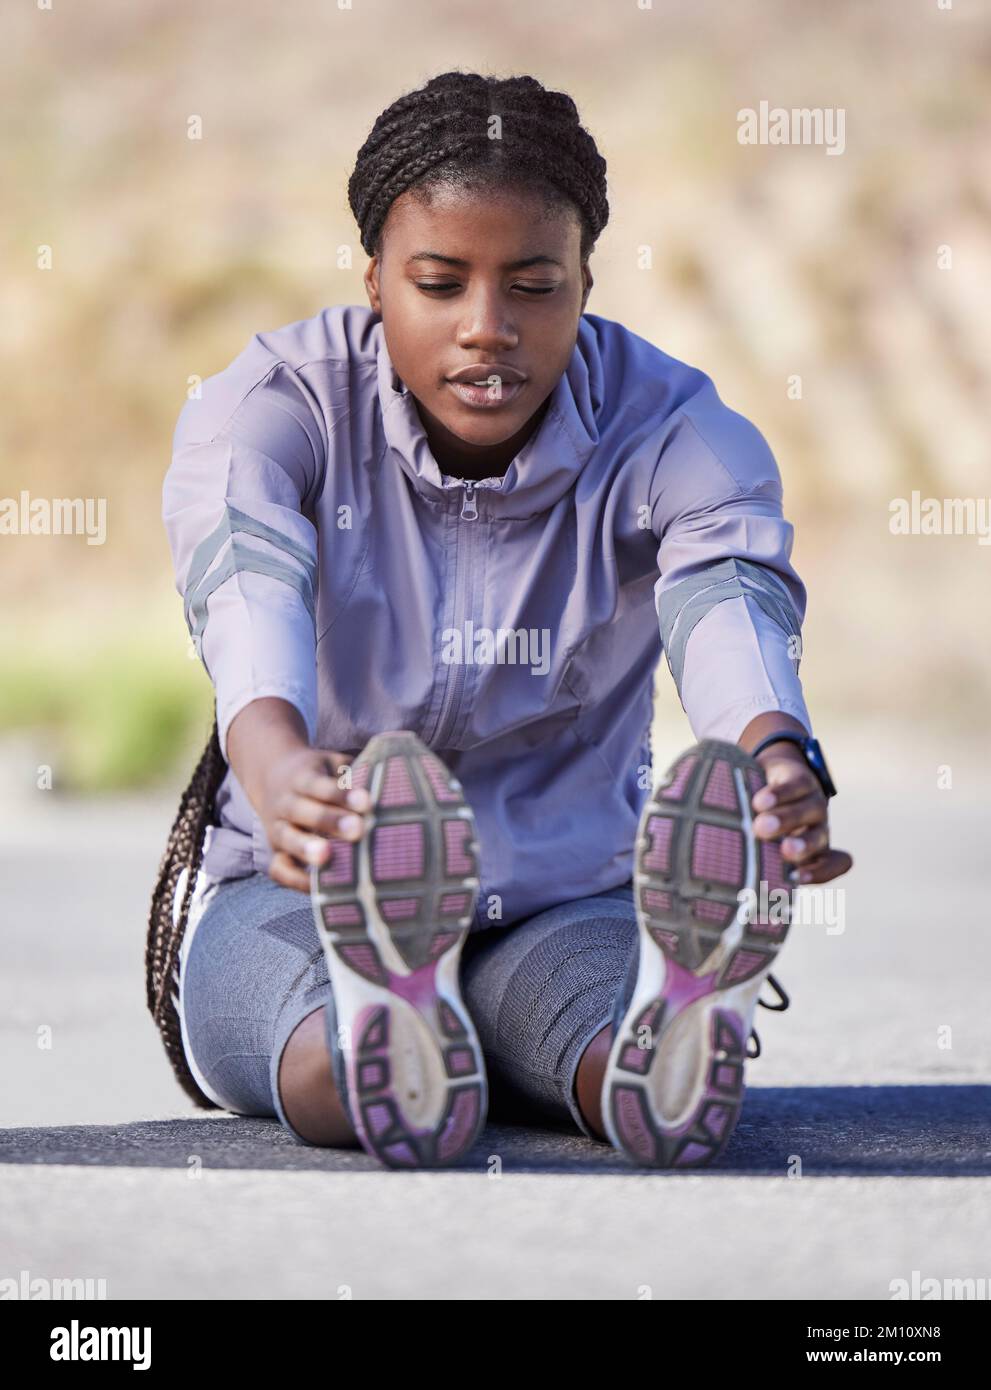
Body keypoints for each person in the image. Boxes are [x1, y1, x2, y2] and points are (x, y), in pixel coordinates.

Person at [146, 69, 852, 1169]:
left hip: (559, 896)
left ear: (583, 283)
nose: (488, 329)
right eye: (440, 282)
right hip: (305, 880)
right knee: (325, 1061)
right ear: (374, 279)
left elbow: (727, 591)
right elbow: (246, 572)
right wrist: (274, 756)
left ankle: (645, 1064)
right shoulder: (275, 403)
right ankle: (398, 1029)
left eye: (532, 285)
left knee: (597, 1039)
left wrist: (770, 750)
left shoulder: (670, 426)